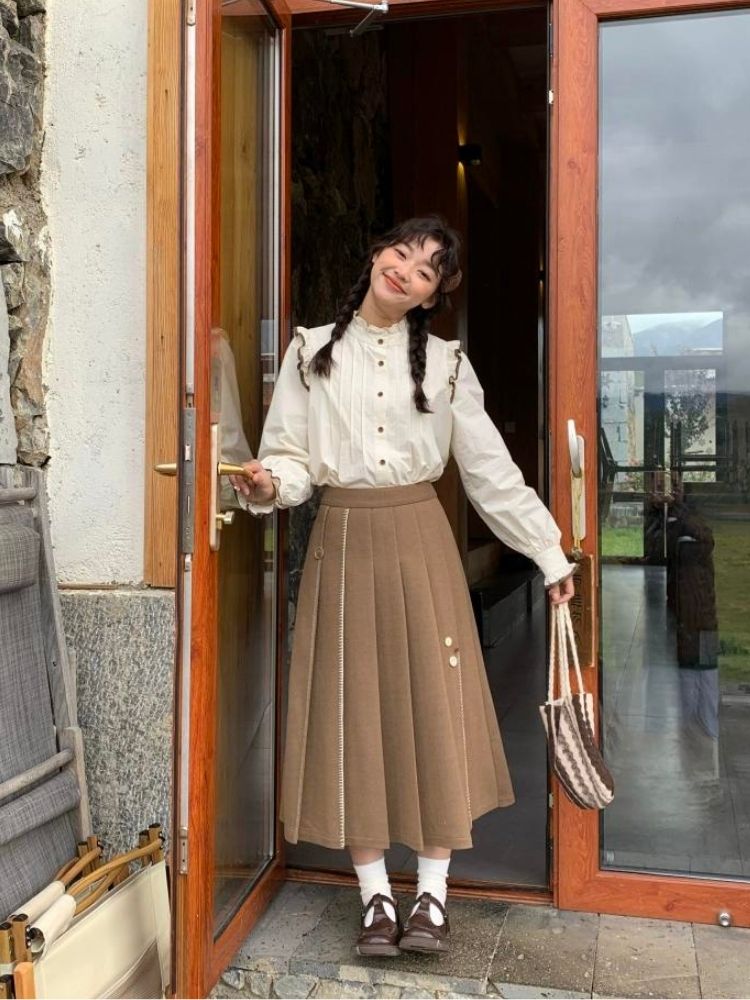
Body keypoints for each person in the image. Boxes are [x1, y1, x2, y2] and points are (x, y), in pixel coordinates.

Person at [229, 216, 574, 957]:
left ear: (431, 296)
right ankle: (376, 898)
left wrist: (548, 553)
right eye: (401, 253)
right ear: (377, 252)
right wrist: (266, 485)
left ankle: (434, 897)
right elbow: (289, 460)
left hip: (421, 541)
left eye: (425, 271)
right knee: (352, 708)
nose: (405, 271)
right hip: (343, 541)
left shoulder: (448, 365)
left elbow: (489, 472)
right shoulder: (309, 351)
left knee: (431, 703)